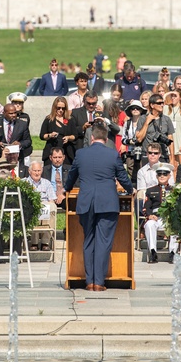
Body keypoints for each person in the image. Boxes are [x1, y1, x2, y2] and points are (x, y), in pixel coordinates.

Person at [64, 121, 133, 291]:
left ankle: (89, 282)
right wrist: (132, 189)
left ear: (92, 137)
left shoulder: (80, 154)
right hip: (107, 202)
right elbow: (123, 177)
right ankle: (99, 282)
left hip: (86, 202)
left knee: (88, 240)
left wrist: (66, 189)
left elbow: (71, 177)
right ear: (106, 138)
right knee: (103, 242)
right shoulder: (112, 154)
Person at [139, 162, 174, 264]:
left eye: (165, 174)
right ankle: (153, 252)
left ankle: (173, 252)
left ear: (169, 176)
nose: (162, 176)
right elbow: (146, 207)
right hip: (156, 217)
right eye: (159, 174)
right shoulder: (151, 190)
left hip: (169, 218)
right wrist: (149, 215)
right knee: (149, 225)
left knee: (175, 225)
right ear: (156, 176)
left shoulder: (174, 190)